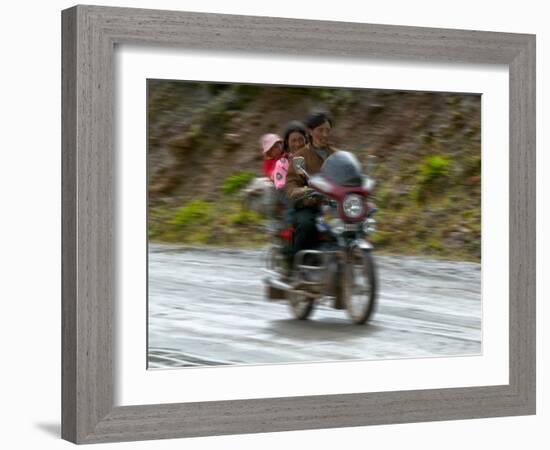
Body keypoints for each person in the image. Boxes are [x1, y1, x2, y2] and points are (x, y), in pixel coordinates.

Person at [284, 111, 339, 263]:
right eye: (320, 130)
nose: (325, 134)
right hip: (310, 205)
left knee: (356, 223)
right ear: (310, 131)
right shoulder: (299, 157)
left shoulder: (337, 155)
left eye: (327, 130)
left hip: (335, 206)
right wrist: (303, 191)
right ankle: (294, 265)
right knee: (306, 224)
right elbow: (292, 183)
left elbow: (349, 177)